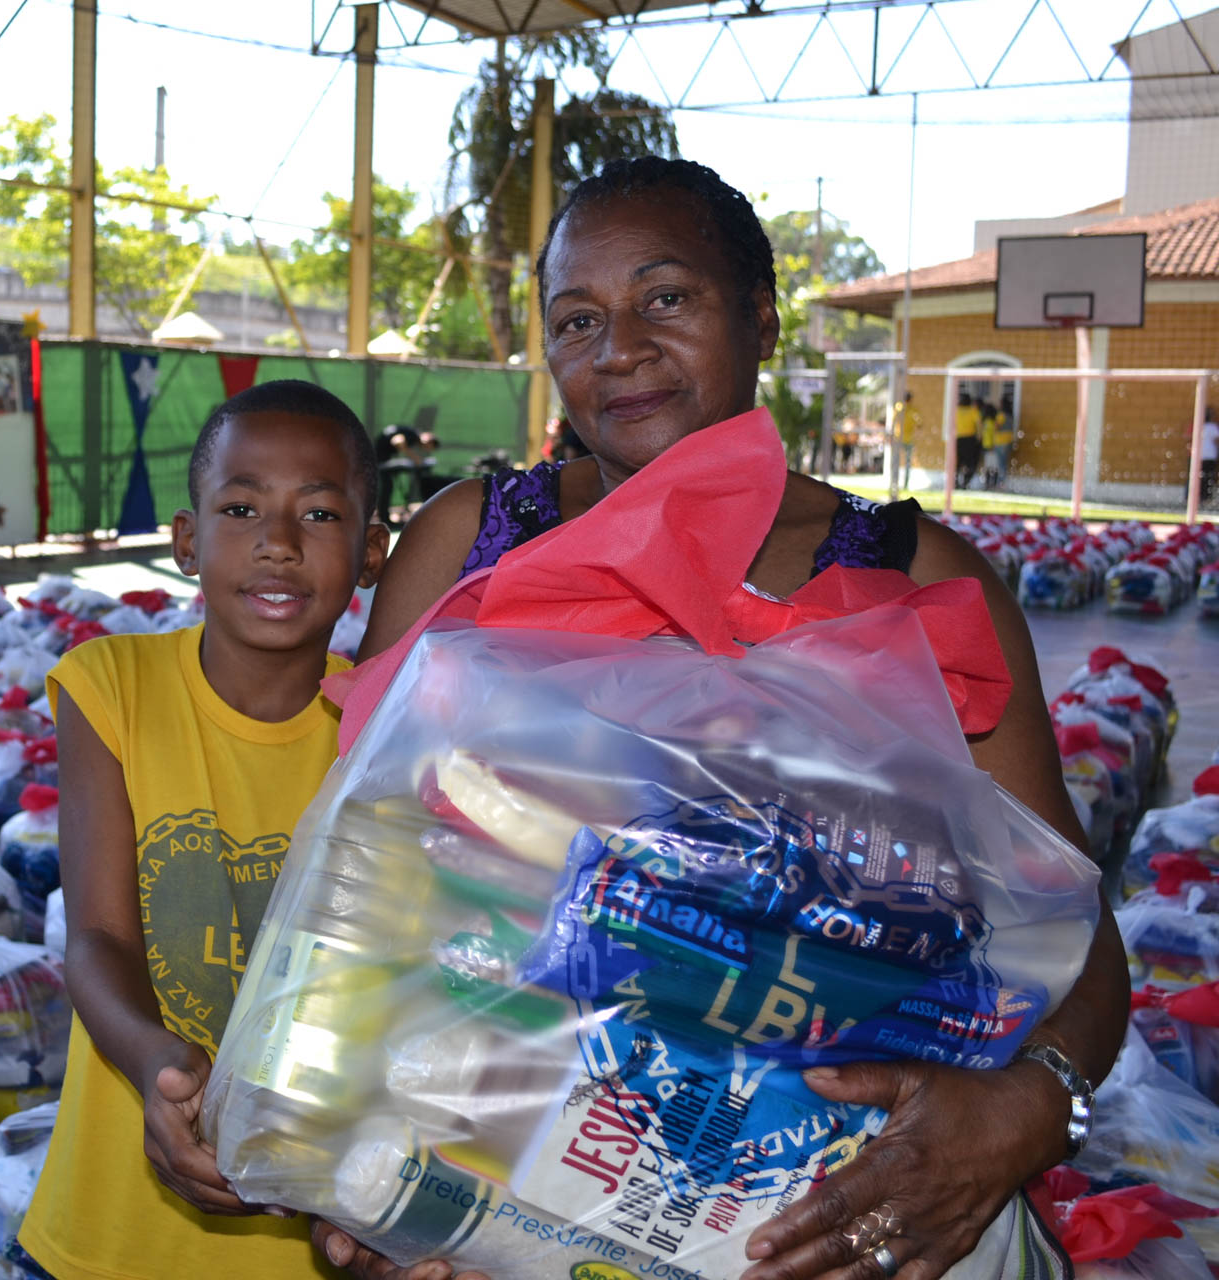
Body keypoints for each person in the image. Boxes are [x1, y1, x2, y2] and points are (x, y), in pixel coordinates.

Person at [323, 156, 1128, 1280]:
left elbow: (1076, 935)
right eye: (576, 319)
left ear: (760, 313)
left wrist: (1028, 1110)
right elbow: (356, 895)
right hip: (526, 1190)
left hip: (845, 1212)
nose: (619, 349)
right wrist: (354, 1161)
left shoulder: (914, 578)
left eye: (666, 298)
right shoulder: (470, 544)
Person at [17, 378, 387, 1280]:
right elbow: (98, 935)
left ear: (374, 553)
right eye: (240, 506)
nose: (279, 542)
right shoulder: (112, 687)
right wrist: (157, 1065)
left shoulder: (386, 739)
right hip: (108, 1242)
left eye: (322, 515)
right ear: (188, 541)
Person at [889, 389, 920, 490]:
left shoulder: (900, 408)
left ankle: (895, 484)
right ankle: (901, 484)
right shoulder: (910, 409)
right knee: (904, 463)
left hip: (900, 439)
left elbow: (892, 422)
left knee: (896, 463)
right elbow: (919, 424)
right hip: (906, 439)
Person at [954, 390, 982, 488]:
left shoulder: (956, 410)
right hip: (969, 439)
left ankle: (956, 482)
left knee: (958, 462)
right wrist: (979, 436)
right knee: (970, 462)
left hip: (958, 439)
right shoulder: (973, 410)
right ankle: (965, 482)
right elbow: (979, 424)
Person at [986, 402, 1016, 491]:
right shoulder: (1011, 416)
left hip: (1001, 442)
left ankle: (1000, 483)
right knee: (1004, 463)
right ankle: (1003, 482)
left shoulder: (1001, 415)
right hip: (1009, 441)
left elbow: (996, 426)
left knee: (1000, 464)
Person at [1201, 403, 1218, 507]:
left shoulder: (1200, 426)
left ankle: (1201, 498)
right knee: (1209, 477)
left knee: (1202, 477)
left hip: (1200, 455)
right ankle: (1207, 499)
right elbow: (1217, 440)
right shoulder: (1212, 427)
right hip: (1210, 455)